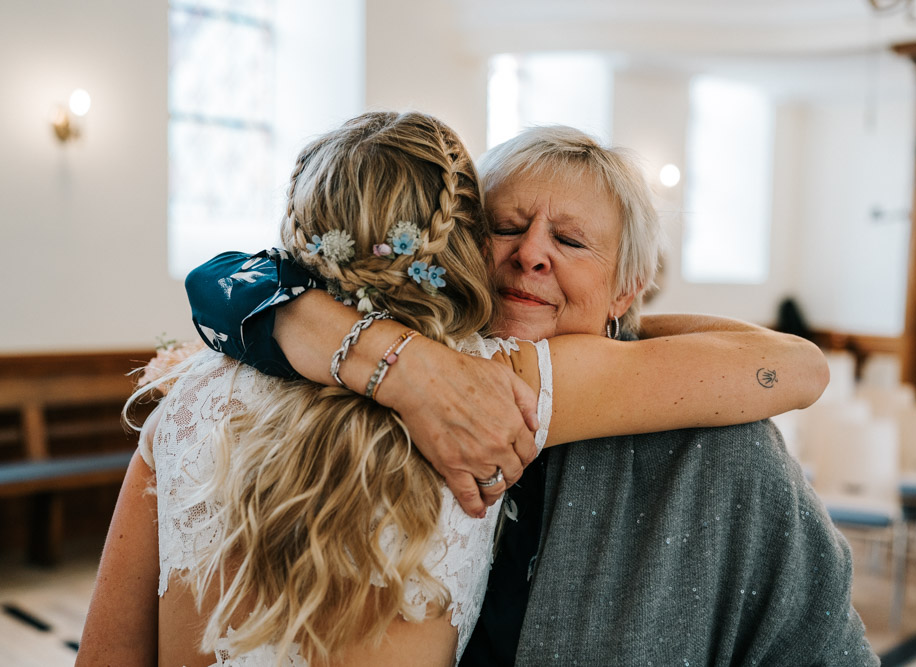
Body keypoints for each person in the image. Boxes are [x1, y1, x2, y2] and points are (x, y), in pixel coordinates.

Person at [78, 114, 831, 666]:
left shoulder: (193, 397)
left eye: (569, 241)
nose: (533, 253)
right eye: (506, 226)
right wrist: (399, 361)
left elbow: (220, 280)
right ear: (458, 246)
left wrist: (615, 328)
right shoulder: (501, 381)